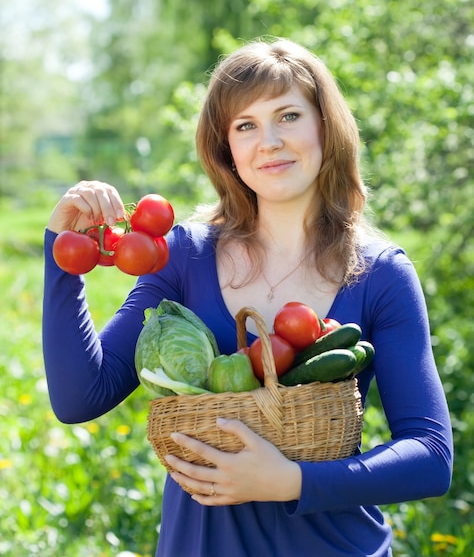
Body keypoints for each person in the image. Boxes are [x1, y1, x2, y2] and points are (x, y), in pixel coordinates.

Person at [42, 38, 453, 557]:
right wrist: (62, 256)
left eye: (288, 116)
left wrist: (292, 483)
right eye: (246, 125)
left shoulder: (380, 274)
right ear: (226, 149)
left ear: (326, 126)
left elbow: (431, 456)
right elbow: (81, 397)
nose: (270, 141)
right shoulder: (183, 257)